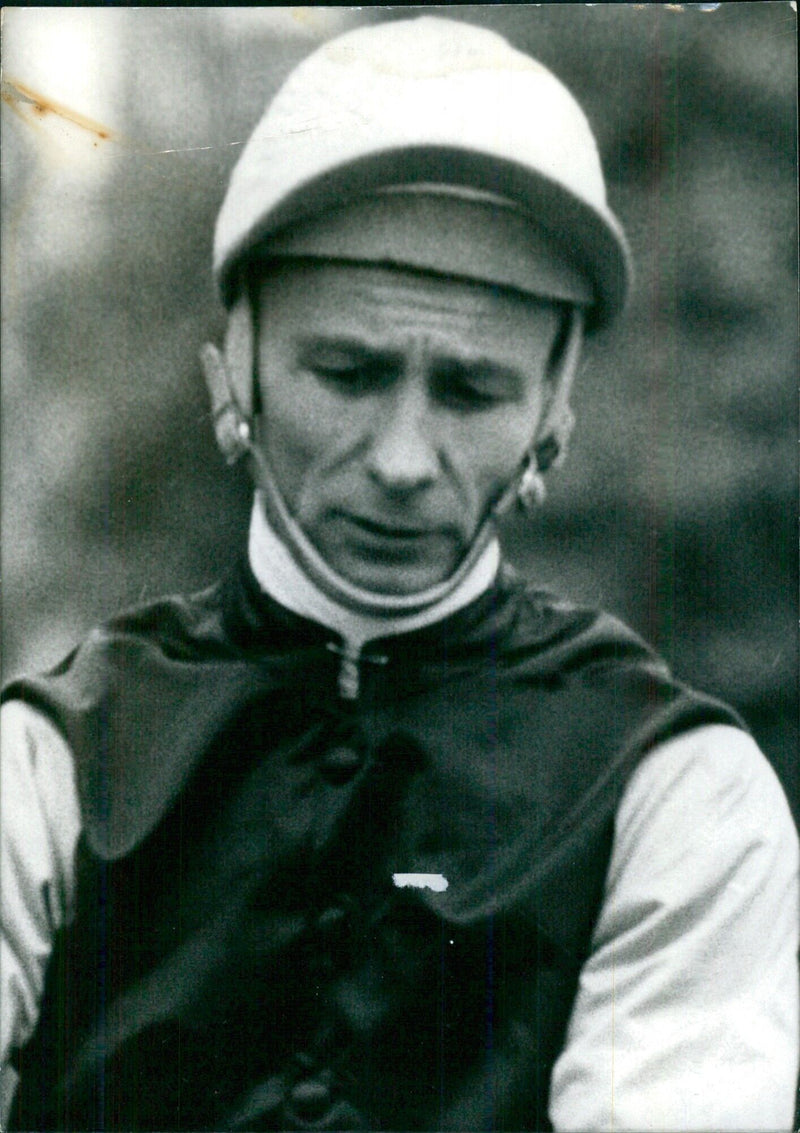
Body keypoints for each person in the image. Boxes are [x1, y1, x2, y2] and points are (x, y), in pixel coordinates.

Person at [1, 15, 797, 1132]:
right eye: (347, 370)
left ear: (552, 412)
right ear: (237, 364)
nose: (401, 460)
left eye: (471, 392)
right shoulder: (46, 762)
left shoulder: (679, 796)